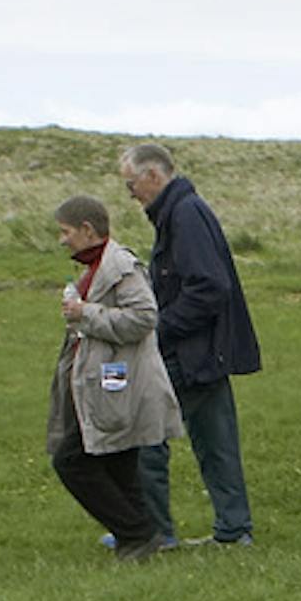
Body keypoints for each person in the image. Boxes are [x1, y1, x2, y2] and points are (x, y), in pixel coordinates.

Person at [119, 144, 262, 546]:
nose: (131, 193)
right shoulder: (183, 211)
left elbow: (208, 286)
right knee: (217, 443)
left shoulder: (184, 215)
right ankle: (234, 531)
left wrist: (159, 328)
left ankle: (152, 533)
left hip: (192, 352)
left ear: (153, 176)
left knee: (146, 435)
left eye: (131, 184)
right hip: (206, 352)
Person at [45, 194, 182, 558]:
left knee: (71, 460)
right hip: (106, 385)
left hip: (118, 385)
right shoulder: (96, 266)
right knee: (117, 462)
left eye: (66, 232)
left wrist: (85, 313)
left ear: (87, 230)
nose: (62, 240)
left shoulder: (120, 265)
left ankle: (136, 533)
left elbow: (143, 318)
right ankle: (140, 538)